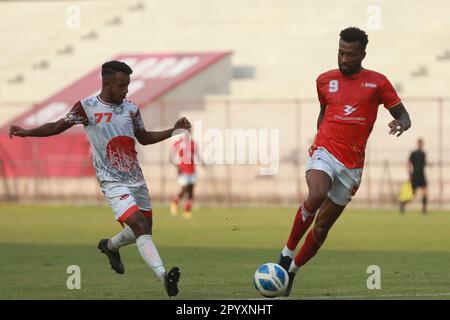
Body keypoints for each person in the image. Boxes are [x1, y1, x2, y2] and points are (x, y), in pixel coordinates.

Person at [9, 61, 191, 297]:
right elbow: (56, 126)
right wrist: (27, 132)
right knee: (138, 225)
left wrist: (173, 131)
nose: (126, 90)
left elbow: (143, 138)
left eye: (127, 85)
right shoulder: (87, 107)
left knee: (145, 230)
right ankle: (164, 276)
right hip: (112, 181)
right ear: (106, 83)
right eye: (121, 85)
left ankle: (110, 245)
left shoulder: (131, 109)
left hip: (136, 179)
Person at [277, 27, 411, 297]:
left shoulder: (378, 82)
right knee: (316, 193)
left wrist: (401, 123)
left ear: (362, 54)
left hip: (352, 166)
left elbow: (404, 115)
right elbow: (324, 113)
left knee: (322, 228)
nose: (344, 58)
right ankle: (284, 255)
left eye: (350, 54)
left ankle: (292, 270)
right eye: (340, 52)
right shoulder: (324, 80)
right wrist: (318, 142)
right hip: (324, 151)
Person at [170, 129, 199, 219]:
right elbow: (171, 156)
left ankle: (187, 211)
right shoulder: (179, 143)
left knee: (191, 191)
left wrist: (204, 162)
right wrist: (177, 166)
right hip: (183, 170)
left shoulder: (193, 143)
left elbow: (197, 155)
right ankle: (175, 202)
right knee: (184, 190)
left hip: (192, 170)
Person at [400, 138, 428, 214]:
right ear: (417, 144)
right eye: (419, 143)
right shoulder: (413, 153)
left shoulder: (423, 153)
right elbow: (409, 163)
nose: (420, 145)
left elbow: (424, 163)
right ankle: (402, 203)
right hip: (415, 175)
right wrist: (409, 174)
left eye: (421, 143)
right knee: (412, 194)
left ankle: (424, 210)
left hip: (422, 175)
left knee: (425, 192)